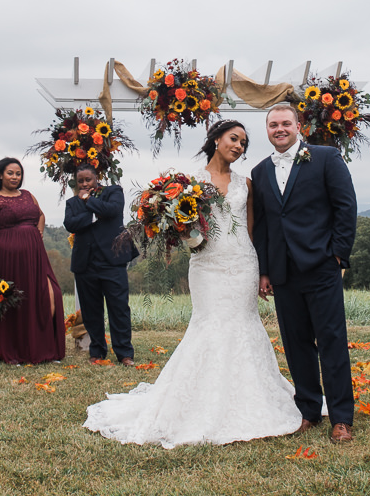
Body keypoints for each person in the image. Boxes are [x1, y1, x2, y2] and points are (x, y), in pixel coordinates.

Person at [83, 120, 302, 447]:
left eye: (244, 142)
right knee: (209, 325)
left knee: (244, 324)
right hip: (206, 264)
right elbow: (178, 228)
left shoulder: (247, 183)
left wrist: (263, 271)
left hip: (243, 262)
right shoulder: (188, 183)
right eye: (234, 138)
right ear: (216, 139)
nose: (239, 146)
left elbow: (253, 228)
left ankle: (247, 397)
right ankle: (197, 400)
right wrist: (186, 236)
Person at [252, 104, 358, 444]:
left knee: (332, 343)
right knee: (296, 346)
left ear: (299, 126)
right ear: (267, 130)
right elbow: (266, 224)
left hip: (321, 266)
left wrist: (338, 256)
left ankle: (341, 419)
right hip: (283, 273)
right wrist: (265, 270)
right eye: (273, 125)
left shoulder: (326, 157)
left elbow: (346, 206)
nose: (279, 129)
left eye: (285, 123)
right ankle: (309, 411)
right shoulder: (259, 171)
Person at [0, 157, 65, 364]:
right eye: (10, 173)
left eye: (18, 173)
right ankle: (15, 351)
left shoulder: (28, 196)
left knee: (50, 294)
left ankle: (44, 348)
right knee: (14, 302)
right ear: (0, 175)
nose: (15, 177)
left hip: (35, 256)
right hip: (6, 258)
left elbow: (41, 215)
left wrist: (38, 233)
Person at [64, 163, 138, 365]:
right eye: (81, 181)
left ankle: (124, 353)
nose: (85, 183)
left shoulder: (114, 192)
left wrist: (88, 202)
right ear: (76, 182)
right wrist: (93, 213)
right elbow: (70, 224)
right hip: (85, 263)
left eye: (88, 179)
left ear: (97, 178)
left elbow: (112, 211)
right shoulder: (72, 202)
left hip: (113, 261)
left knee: (119, 308)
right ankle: (97, 352)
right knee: (91, 310)